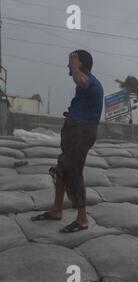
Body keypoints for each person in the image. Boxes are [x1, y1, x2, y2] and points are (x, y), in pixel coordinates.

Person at [31, 50, 104, 233]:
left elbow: (81, 80)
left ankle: (82, 219)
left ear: (80, 64)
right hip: (74, 131)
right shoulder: (86, 84)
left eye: (71, 63)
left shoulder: (89, 81)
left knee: (73, 172)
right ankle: (56, 210)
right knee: (62, 169)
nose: (68, 67)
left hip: (81, 133)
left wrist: (74, 64)